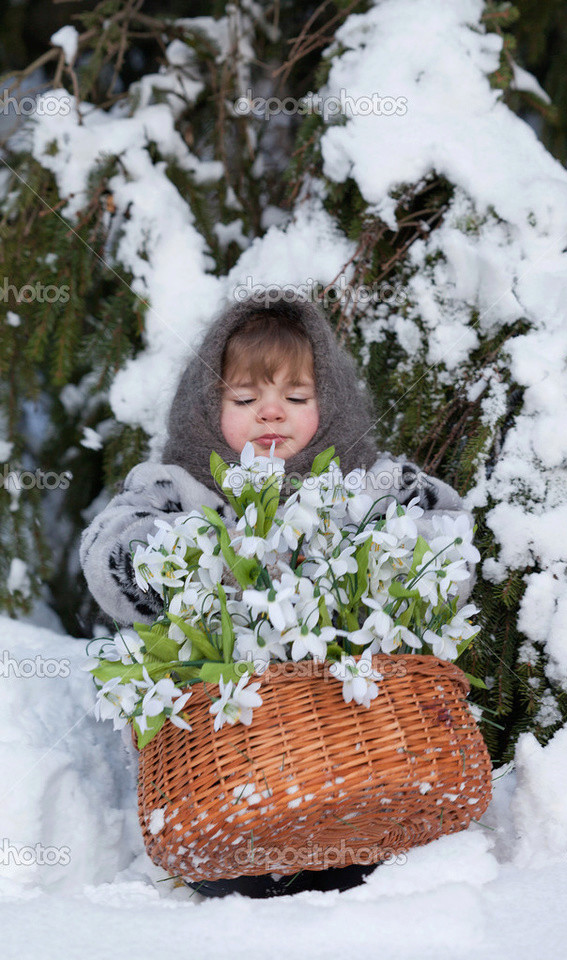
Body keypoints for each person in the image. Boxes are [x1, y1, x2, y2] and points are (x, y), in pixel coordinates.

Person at [79, 291, 477, 897]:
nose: (271, 414)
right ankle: (239, 866)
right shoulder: (178, 489)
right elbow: (106, 550)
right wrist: (176, 558)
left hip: (351, 754)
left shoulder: (366, 483)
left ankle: (361, 847)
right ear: (206, 411)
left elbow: (449, 535)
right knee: (243, 860)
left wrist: (383, 553)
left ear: (332, 407)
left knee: (364, 856)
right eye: (245, 398)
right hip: (228, 770)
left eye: (295, 398)